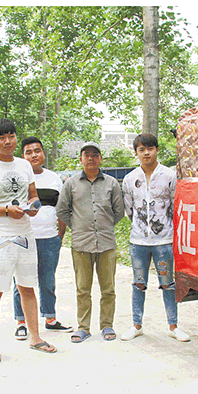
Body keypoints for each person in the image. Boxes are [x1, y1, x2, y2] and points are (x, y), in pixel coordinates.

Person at [0, 119, 58, 363]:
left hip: (25, 234)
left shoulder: (24, 165)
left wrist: (34, 206)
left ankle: (35, 338)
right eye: (1, 137)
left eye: (11, 136)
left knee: (27, 287)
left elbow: (32, 195)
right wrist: (6, 210)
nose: (7, 141)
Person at [120, 134, 190, 342]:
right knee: (138, 284)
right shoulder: (130, 179)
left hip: (164, 241)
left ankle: (173, 326)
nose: (146, 153)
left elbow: (175, 206)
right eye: (141, 149)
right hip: (138, 241)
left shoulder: (169, 175)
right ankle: (137, 325)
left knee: (168, 284)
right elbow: (129, 209)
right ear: (136, 152)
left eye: (150, 148)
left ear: (157, 150)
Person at [56, 143, 125, 343]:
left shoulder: (111, 183)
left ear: (100, 159)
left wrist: (105, 225)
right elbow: (62, 210)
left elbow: (119, 211)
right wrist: (77, 226)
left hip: (106, 244)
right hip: (81, 244)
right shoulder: (71, 184)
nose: (91, 158)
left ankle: (107, 325)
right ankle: (83, 327)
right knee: (82, 289)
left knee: (108, 289)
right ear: (81, 159)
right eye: (87, 155)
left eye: (95, 155)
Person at [12, 137, 72, 336]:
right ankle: (21, 322)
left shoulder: (54, 178)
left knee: (48, 281)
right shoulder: (18, 179)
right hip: (23, 239)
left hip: (49, 238)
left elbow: (61, 208)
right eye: (28, 152)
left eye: (37, 151)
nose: (33, 155)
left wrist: (60, 234)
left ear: (43, 153)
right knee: (21, 282)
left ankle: (50, 318)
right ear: (23, 156)